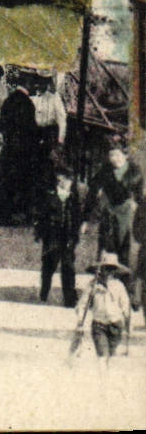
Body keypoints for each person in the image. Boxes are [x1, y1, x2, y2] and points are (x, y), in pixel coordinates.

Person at [84, 143, 142, 264]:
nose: (114, 159)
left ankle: (123, 275)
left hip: (126, 211)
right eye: (111, 155)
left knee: (124, 243)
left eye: (117, 155)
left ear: (126, 155)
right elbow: (92, 191)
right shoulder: (105, 171)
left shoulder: (135, 172)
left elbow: (140, 197)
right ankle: (102, 274)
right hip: (109, 209)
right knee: (105, 242)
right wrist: (87, 217)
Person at [34, 169, 84, 307]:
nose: (68, 183)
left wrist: (78, 231)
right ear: (59, 180)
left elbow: (78, 217)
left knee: (68, 266)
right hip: (52, 236)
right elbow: (41, 216)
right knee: (49, 265)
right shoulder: (49, 196)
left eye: (69, 180)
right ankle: (44, 293)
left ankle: (70, 299)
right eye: (64, 180)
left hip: (68, 236)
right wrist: (39, 233)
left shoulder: (73, 198)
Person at [0, 74, 40, 226]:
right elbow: (32, 129)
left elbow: (0, 126)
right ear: (27, 83)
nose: (35, 86)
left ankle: (4, 217)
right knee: (24, 181)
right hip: (23, 149)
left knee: (6, 182)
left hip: (8, 148)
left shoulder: (8, 101)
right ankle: (24, 216)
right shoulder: (28, 104)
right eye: (33, 83)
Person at [73, 253, 133, 363]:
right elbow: (82, 305)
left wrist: (127, 323)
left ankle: (106, 376)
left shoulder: (118, 286)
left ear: (115, 271)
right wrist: (80, 321)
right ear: (100, 269)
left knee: (109, 356)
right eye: (106, 268)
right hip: (99, 325)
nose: (109, 272)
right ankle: (103, 378)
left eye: (112, 269)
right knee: (102, 356)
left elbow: (125, 305)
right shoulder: (93, 285)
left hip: (116, 325)